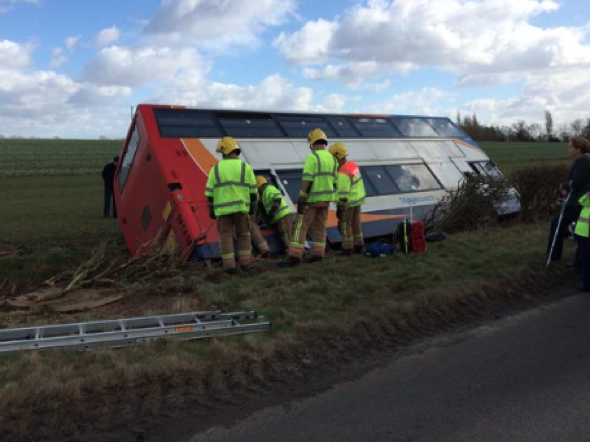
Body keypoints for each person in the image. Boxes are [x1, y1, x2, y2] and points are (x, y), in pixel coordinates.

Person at [280, 128, 337, 267]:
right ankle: (318, 255)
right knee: (320, 227)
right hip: (326, 200)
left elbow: (307, 180)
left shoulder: (312, 157)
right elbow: (335, 182)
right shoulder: (333, 159)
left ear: (312, 143)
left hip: (312, 200)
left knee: (301, 226)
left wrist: (302, 198)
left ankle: (294, 256)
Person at [205, 137, 257, 274]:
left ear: (224, 152)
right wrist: (252, 208)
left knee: (225, 237)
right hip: (241, 209)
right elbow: (253, 192)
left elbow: (209, 193)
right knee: (244, 235)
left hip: (222, 211)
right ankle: (246, 264)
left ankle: (229, 267)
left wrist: (211, 210)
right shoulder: (246, 168)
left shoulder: (215, 169)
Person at [547, 137, 590, 263]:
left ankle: (554, 256)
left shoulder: (583, 162)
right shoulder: (582, 160)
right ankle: (579, 262)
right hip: (580, 201)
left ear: (578, 149)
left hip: (576, 202)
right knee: (579, 232)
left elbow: (577, 182)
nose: (568, 149)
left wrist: (564, 186)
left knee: (557, 224)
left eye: (570, 147)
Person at [329, 142, 366, 255]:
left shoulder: (342, 172)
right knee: (356, 223)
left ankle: (347, 248)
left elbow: (343, 193)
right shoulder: (352, 165)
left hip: (348, 203)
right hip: (358, 200)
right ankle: (359, 246)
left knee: (345, 225)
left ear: (337, 157)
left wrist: (340, 207)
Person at [256, 175, 293, 253]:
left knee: (286, 235)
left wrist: (272, 213)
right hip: (280, 217)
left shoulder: (269, 189)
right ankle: (290, 253)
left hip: (282, 216)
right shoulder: (263, 194)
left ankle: (291, 254)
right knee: (285, 235)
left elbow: (277, 199)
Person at [574, 191, 590, 291]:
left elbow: (582, 200)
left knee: (586, 261)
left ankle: (587, 285)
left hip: (585, 235)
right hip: (582, 234)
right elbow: (581, 201)